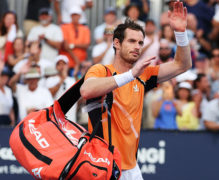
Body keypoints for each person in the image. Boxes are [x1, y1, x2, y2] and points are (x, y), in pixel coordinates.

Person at [80, 2, 191, 179]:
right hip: (103, 168)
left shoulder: (144, 74)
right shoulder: (101, 70)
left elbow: (183, 64)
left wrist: (180, 32)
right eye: (131, 41)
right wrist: (130, 75)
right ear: (116, 43)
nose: (138, 46)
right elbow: (86, 90)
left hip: (132, 169)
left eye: (140, 42)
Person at [60, 6, 91, 76]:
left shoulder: (85, 29)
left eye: (76, 15)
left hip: (81, 64)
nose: (75, 17)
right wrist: (76, 60)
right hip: (67, 64)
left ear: (80, 16)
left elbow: (86, 45)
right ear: (70, 16)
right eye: (73, 15)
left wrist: (73, 45)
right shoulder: (64, 27)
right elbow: (65, 46)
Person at [45, 55, 77, 122]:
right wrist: (62, 79)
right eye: (59, 64)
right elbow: (50, 95)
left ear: (67, 66)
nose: (62, 66)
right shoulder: (50, 80)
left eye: (64, 64)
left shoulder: (73, 80)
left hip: (71, 118)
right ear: (56, 67)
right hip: (56, 119)